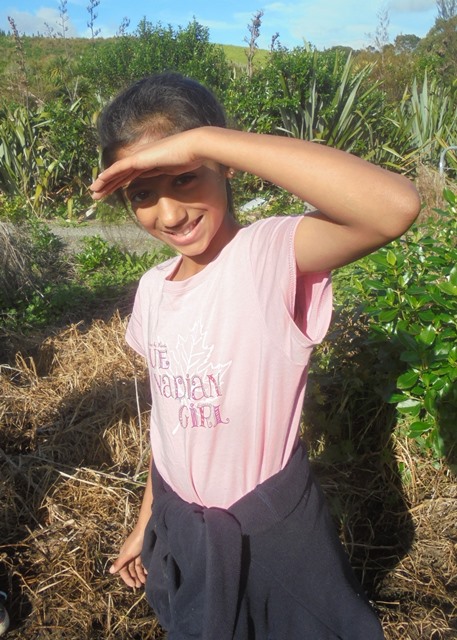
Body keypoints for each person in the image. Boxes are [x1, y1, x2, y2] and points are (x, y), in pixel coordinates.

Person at [90, 72, 420, 639]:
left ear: (224, 164)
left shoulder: (267, 256)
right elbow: (170, 422)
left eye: (185, 177)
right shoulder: (152, 289)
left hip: (271, 537)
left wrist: (204, 140)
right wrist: (148, 520)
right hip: (181, 527)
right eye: (142, 194)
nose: (169, 214)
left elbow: (393, 207)